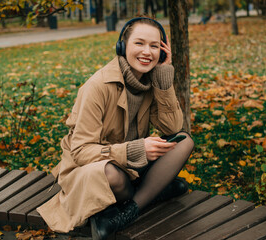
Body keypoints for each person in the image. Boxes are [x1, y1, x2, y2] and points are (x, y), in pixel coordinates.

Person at [37, 16, 194, 240]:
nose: (147, 52)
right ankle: (152, 192)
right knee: (111, 175)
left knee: (184, 140)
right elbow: (81, 152)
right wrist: (134, 150)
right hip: (94, 167)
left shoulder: (151, 80)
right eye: (139, 43)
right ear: (122, 46)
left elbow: (172, 127)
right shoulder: (97, 86)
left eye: (154, 46)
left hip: (133, 166)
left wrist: (163, 80)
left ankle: (131, 209)